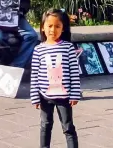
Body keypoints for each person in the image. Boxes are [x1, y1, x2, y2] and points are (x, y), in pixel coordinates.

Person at [31, 9, 80, 148]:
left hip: (64, 97)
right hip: (44, 96)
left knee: (68, 126)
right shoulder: (38, 49)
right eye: (50, 26)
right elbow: (34, 74)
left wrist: (75, 94)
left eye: (57, 26)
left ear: (63, 28)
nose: (53, 30)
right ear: (43, 27)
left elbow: (74, 73)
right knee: (45, 126)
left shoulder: (68, 48)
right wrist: (34, 96)